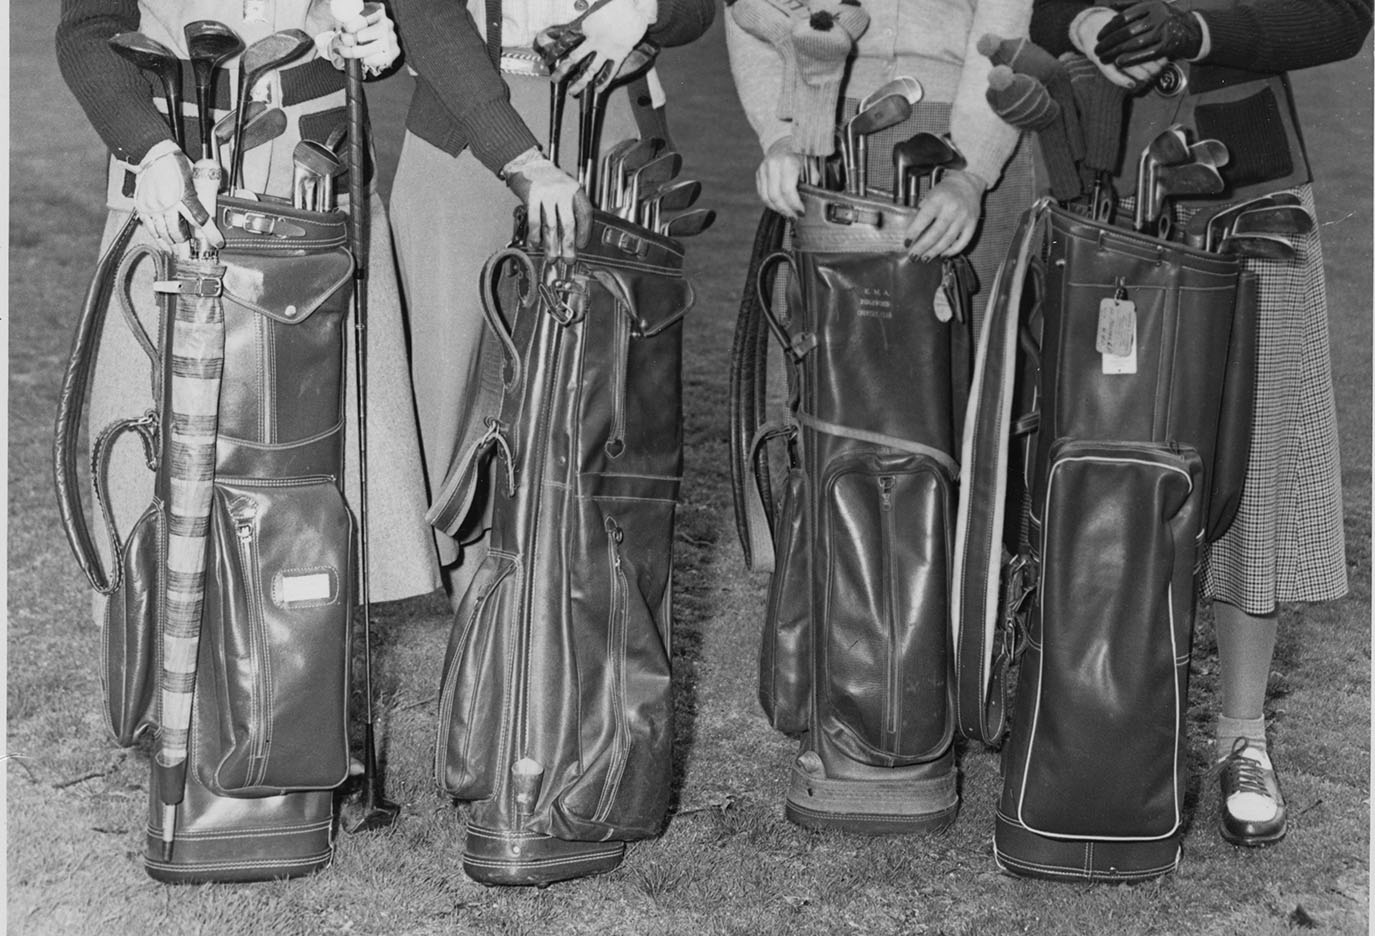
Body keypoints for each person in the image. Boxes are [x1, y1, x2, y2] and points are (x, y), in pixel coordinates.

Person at [1030, 0, 1371, 847]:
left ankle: (1241, 737)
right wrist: (1094, 26)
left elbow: (1342, 17)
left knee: (1252, 459)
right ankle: (1096, 719)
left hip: (1249, 178)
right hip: (1102, 169)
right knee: (1101, 457)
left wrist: (1194, 26)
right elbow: (1040, 10)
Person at [56, 0, 441, 611]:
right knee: (162, 445)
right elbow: (88, 29)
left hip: (317, 170)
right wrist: (147, 147)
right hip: (175, 174)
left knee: (321, 443)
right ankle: (163, 637)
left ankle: (300, 644)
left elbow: (353, 14)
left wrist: (368, 39)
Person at [387, 0, 715, 605]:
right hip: (465, 129)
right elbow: (427, 16)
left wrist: (644, 9)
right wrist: (519, 157)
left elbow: (696, 11)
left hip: (608, 127)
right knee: (454, 398)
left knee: (597, 405)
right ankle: (486, 624)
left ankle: (585, 618)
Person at [724, 0, 1036, 327]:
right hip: (821, 126)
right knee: (825, 341)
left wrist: (971, 174)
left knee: (966, 340)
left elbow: (1004, 34)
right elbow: (752, 13)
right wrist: (783, 134)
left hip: (973, 133)